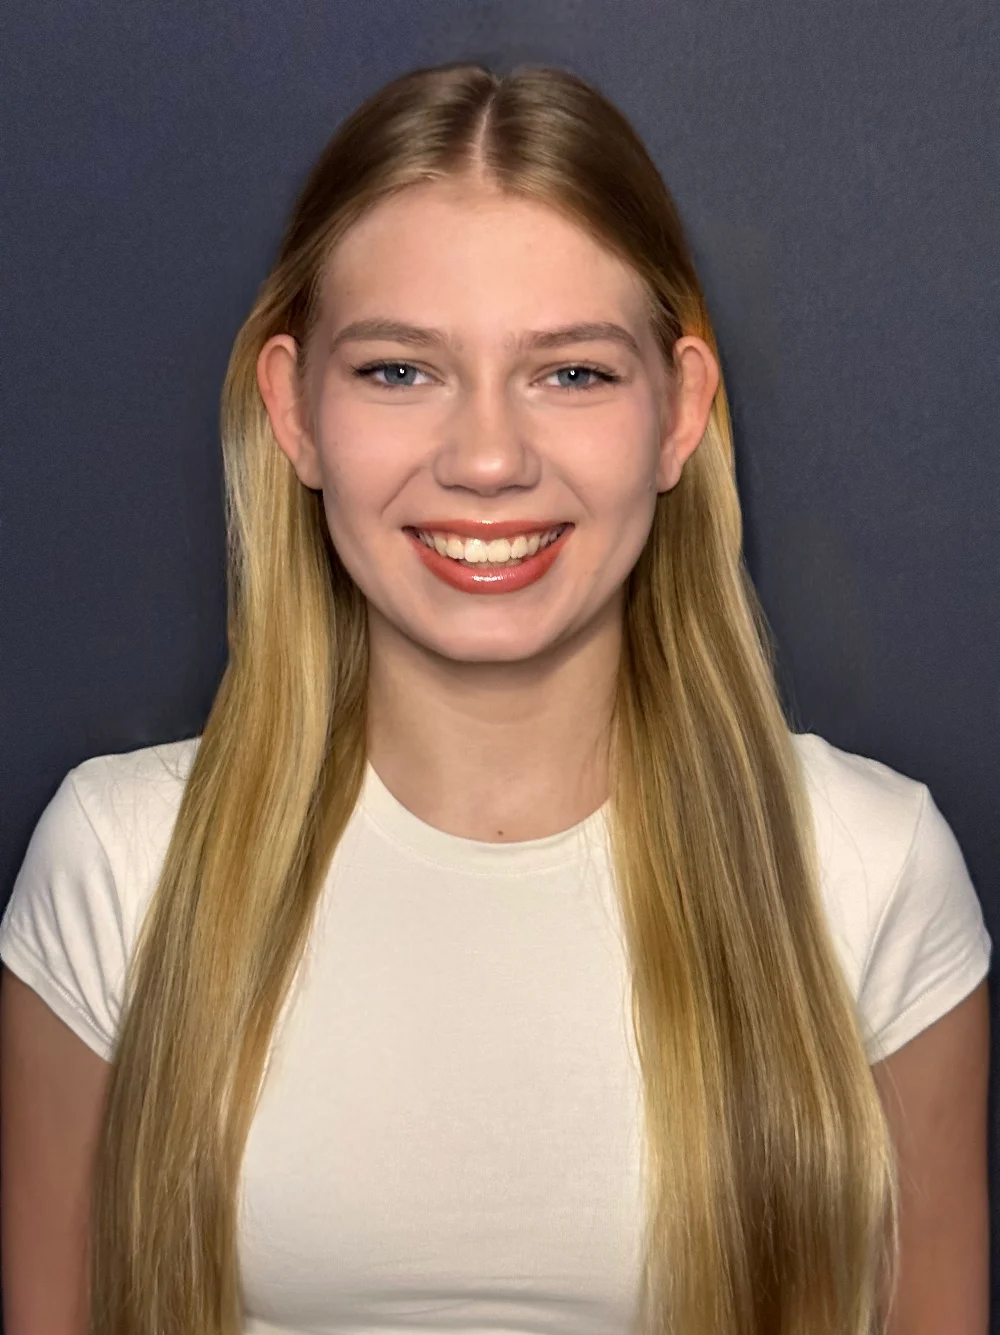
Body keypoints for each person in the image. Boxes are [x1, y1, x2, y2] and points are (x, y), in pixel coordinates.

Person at [0, 60, 991, 1335]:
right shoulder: (121, 866)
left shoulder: (869, 871)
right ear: (293, 411)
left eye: (570, 373)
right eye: (398, 371)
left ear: (678, 413)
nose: (484, 459)